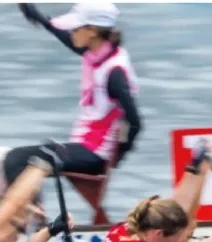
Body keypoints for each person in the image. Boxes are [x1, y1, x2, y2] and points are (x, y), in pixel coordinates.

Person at [8, 2, 140, 184]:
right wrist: (38, 17)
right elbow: (64, 37)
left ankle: (25, 211)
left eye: (75, 29)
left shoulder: (114, 73)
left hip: (94, 155)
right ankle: (30, 209)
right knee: (16, 159)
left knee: (16, 161)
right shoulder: (98, 51)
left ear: (92, 31)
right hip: (85, 148)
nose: (71, 32)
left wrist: (118, 156)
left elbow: (135, 122)